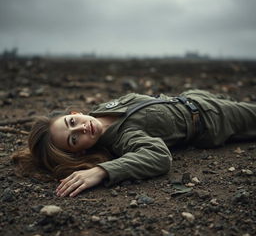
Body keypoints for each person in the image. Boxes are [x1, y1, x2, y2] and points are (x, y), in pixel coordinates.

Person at [13, 89, 256, 197]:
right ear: (82, 150)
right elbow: (159, 156)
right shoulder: (120, 140)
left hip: (194, 96)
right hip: (214, 119)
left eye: (71, 121)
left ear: (75, 112)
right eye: (74, 138)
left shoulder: (101, 110)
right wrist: (102, 171)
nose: (80, 127)